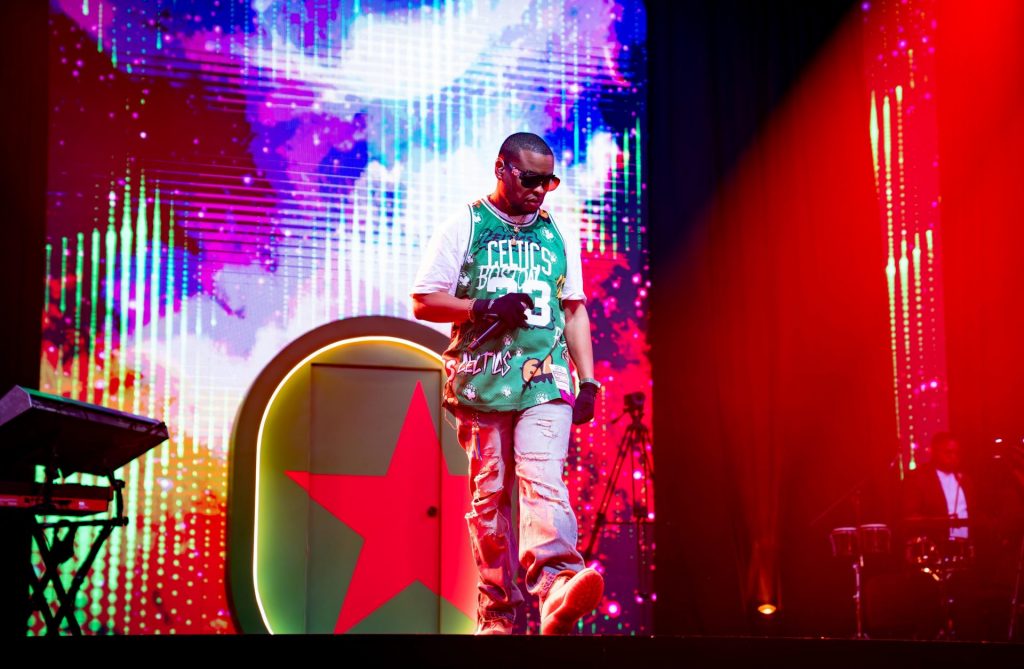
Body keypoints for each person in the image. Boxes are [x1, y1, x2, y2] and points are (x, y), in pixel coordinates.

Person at [411, 132, 603, 635]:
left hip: (546, 377)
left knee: (542, 476)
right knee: (490, 498)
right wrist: (482, 306)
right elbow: (424, 300)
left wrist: (588, 381)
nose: (540, 190)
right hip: (482, 379)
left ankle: (556, 585)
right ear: (502, 169)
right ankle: (496, 613)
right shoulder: (467, 225)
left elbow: (573, 308)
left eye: (549, 182)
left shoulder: (557, 235)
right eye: (531, 179)